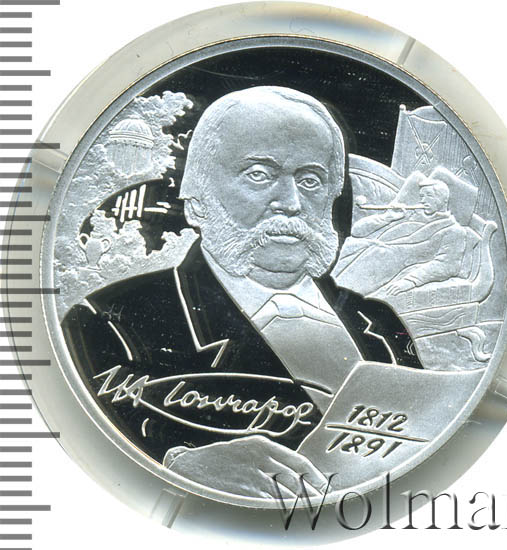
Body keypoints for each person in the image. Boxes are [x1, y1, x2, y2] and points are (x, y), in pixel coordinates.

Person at [62, 86, 420, 499]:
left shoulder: (379, 324)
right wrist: (179, 465)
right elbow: (82, 456)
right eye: (259, 175)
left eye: (310, 180)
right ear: (197, 199)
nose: (291, 203)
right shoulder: (110, 324)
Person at [334, 169, 468, 298]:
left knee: (340, 293)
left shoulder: (454, 230)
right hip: (361, 252)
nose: (423, 201)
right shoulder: (409, 215)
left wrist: (410, 281)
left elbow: (448, 265)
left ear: (443, 199)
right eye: (422, 196)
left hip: (384, 264)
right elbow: (356, 232)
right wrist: (386, 217)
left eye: (429, 196)